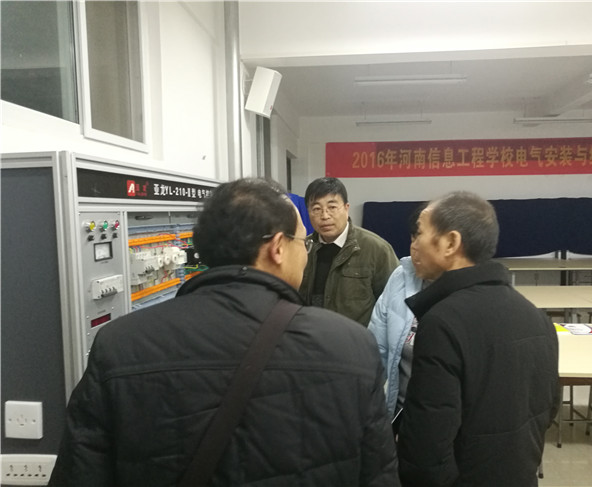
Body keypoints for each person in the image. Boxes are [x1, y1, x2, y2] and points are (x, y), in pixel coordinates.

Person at [50, 178, 398, 487]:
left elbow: (81, 472)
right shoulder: (351, 347)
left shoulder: (119, 344)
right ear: (278, 248)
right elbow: (377, 474)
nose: (305, 255)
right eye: (300, 242)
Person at [397, 191, 560, 487]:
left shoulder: (443, 322)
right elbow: (547, 410)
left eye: (419, 233)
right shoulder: (536, 317)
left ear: (451, 243)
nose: (414, 244)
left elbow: (426, 445)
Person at [299, 177, 399, 326]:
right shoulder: (302, 248)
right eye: (316, 209)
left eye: (332, 207)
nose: (325, 216)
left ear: (346, 208)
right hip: (311, 336)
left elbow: (394, 305)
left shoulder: (376, 249)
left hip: (357, 338)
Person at [368, 203, 429, 426]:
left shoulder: (466, 293)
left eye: (423, 237)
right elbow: (377, 350)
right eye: (413, 237)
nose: (415, 246)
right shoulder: (400, 277)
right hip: (399, 414)